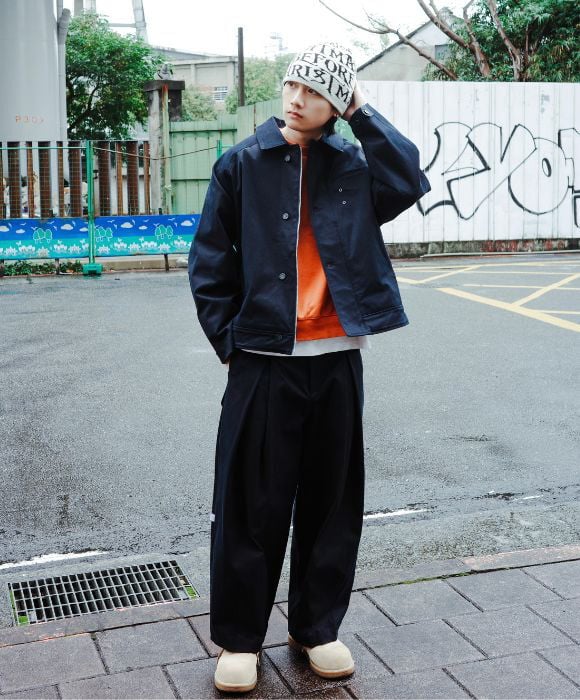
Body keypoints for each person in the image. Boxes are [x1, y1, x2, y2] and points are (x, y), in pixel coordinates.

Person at [188, 42, 431, 693]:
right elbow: (209, 261)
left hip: (338, 358)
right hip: (264, 361)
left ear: (337, 103)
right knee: (250, 504)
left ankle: (316, 628)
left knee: (331, 503)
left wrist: (361, 112)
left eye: (317, 92)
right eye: (295, 84)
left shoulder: (352, 164)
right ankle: (240, 638)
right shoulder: (241, 163)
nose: (298, 99)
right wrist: (232, 343)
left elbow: (409, 179)